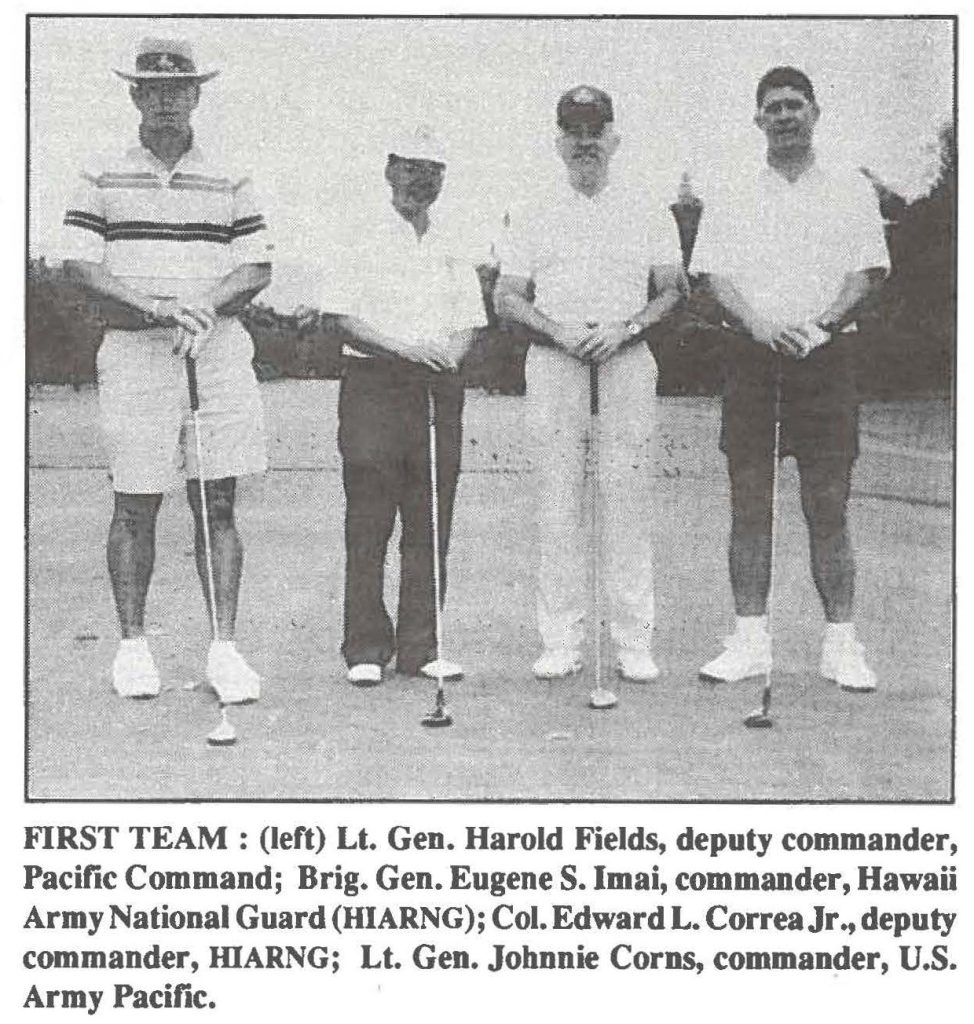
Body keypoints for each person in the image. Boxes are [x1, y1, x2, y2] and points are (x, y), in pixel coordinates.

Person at [61, 38, 272, 703]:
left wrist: (201, 308)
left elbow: (256, 266)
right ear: (134, 94)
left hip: (215, 347)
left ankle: (224, 650)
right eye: (153, 89)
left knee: (217, 499)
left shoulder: (231, 173)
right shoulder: (100, 173)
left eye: (178, 88)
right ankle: (133, 647)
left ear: (197, 94)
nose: (166, 100)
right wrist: (157, 309)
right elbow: (82, 267)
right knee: (136, 500)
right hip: (132, 351)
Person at [691, 66, 890, 692]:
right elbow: (712, 276)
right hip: (753, 358)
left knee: (827, 504)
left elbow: (869, 272)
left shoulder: (853, 191)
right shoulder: (732, 190)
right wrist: (759, 325)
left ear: (815, 112)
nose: (784, 116)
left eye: (794, 105)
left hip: (826, 357)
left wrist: (819, 324)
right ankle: (749, 640)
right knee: (750, 504)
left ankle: (841, 644)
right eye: (772, 107)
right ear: (758, 120)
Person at [494, 86, 686, 683]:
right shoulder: (530, 209)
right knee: (558, 502)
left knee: (626, 500)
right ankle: (560, 639)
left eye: (595, 129)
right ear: (558, 140)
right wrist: (558, 332)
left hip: (626, 358)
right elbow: (505, 297)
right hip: (556, 361)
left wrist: (625, 329)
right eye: (574, 130)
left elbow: (674, 289)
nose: (585, 141)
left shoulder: (648, 207)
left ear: (613, 137)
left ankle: (634, 641)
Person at [324, 126, 487, 687]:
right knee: (369, 519)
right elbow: (342, 318)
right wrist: (404, 349)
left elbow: (469, 321)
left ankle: (422, 645)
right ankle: (365, 647)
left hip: (438, 386)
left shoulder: (451, 240)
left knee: (431, 516)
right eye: (411, 165)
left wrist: (447, 357)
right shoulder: (358, 233)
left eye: (433, 169)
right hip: (374, 381)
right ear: (389, 168)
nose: (421, 178)